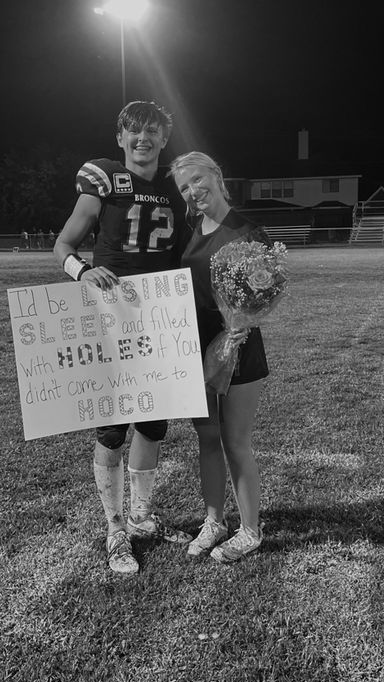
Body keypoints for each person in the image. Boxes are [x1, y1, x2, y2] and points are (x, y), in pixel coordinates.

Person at [54, 100, 188, 575]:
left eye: (152, 131)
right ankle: (114, 529)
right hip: (111, 316)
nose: (143, 139)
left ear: (163, 138)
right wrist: (83, 273)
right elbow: (63, 245)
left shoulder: (174, 183)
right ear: (120, 138)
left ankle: (140, 516)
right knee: (113, 428)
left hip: (158, 317)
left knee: (152, 425)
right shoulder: (106, 178)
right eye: (134, 131)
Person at [169, 151, 269, 563]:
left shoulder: (248, 231)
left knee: (235, 441)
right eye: (184, 187)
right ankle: (214, 521)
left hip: (239, 347)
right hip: (195, 345)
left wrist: (241, 322)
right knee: (206, 437)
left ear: (216, 174)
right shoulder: (191, 227)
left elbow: (264, 290)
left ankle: (251, 530)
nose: (193, 191)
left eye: (197, 179)